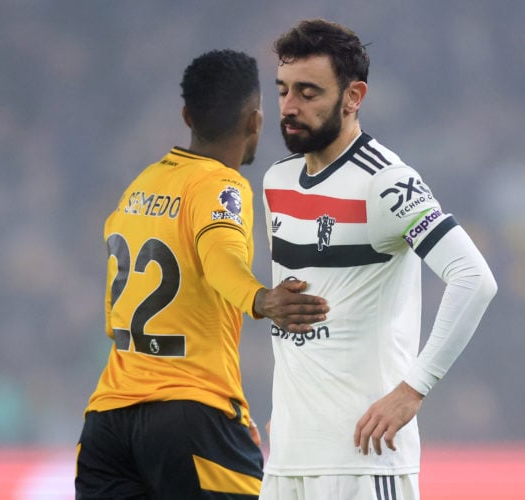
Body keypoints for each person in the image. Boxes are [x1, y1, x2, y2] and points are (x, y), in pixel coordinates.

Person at [75, 49, 329, 499]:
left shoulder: (142, 184)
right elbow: (220, 257)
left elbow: (114, 305)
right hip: (192, 417)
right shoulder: (220, 184)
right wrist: (261, 299)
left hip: (107, 424)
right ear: (255, 122)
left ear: (187, 114)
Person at [260, 20, 497, 500]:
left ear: (354, 96)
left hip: (365, 460)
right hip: (288, 457)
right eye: (283, 90)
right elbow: (294, 320)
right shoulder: (276, 182)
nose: (289, 107)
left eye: (308, 92)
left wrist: (412, 390)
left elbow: (473, 278)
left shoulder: (386, 181)